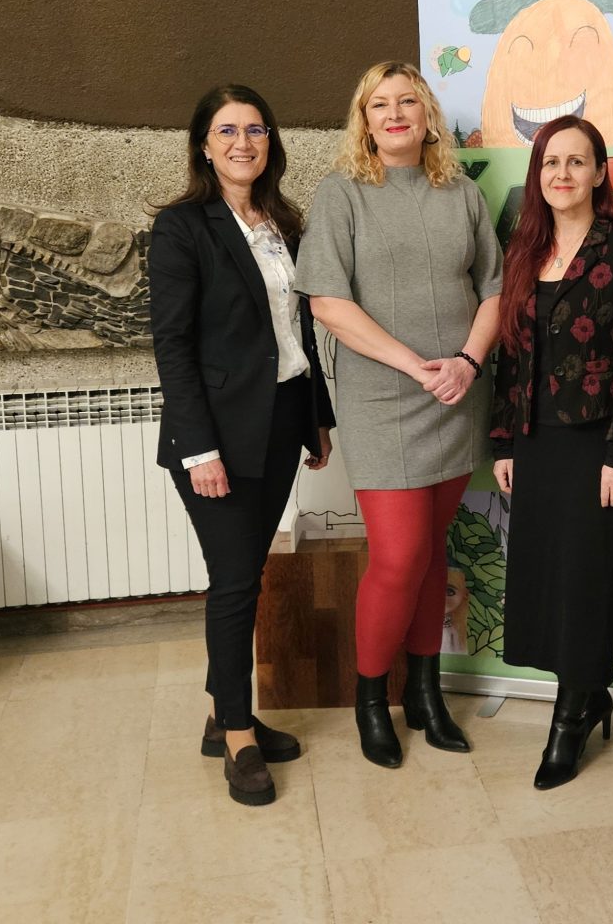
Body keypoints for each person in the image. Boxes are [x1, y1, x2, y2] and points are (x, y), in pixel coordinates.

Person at [296, 61, 503, 769]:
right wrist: (416, 366)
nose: (394, 114)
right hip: (383, 400)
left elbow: (494, 290)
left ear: (427, 115)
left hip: (456, 394)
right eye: (378, 104)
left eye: (406, 101)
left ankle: (425, 693)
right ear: (364, 120)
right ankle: (371, 700)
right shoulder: (342, 193)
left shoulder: (462, 194)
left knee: (433, 551)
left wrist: (466, 363)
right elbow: (328, 303)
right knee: (399, 556)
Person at [149, 84, 336, 806]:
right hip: (218, 436)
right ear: (204, 144)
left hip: (283, 419)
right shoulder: (182, 228)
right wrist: (199, 450)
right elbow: (172, 346)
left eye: (255, 129)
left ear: (270, 142)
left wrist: (317, 415)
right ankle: (237, 734)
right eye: (227, 130)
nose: (242, 143)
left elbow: (298, 332)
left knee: (247, 574)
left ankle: (218, 714)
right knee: (234, 584)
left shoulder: (284, 223)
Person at [490, 114, 613, 790]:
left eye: (576, 161)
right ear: (538, 174)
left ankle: (572, 716)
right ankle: (588, 693)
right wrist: (504, 441)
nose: (562, 173)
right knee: (546, 576)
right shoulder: (523, 249)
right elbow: (510, 354)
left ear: (598, 173)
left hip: (597, 444)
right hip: (534, 442)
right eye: (550, 162)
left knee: (587, 579)